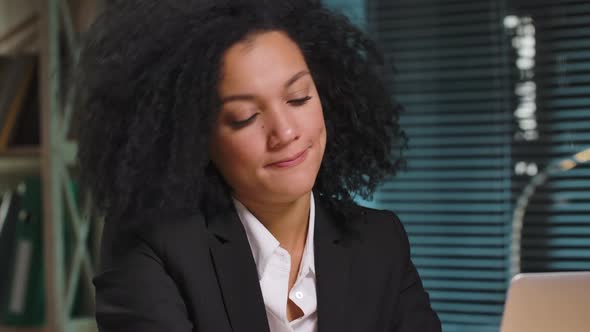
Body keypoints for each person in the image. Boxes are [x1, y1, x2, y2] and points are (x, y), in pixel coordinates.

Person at [76, 0, 441, 331]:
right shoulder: (151, 249)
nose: (284, 132)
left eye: (298, 98)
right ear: (192, 138)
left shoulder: (381, 243)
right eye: (244, 117)